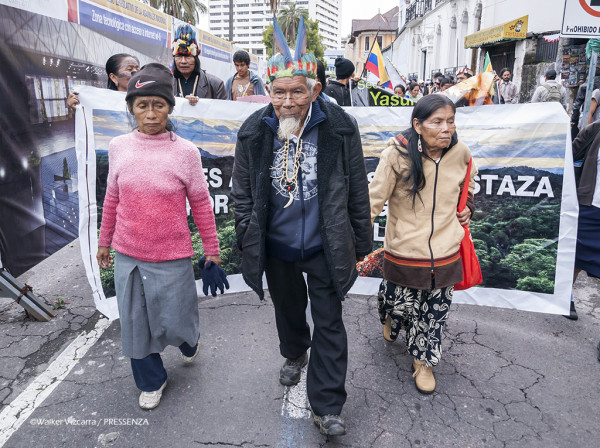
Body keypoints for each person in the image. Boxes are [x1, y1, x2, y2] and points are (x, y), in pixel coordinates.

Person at [230, 17, 372, 436]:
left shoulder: (341, 127)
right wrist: (246, 233)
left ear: (315, 90)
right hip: (277, 245)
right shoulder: (254, 130)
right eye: (279, 92)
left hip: (326, 244)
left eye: (297, 91)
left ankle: (328, 405)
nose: (288, 101)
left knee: (329, 321)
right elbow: (241, 192)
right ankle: (294, 353)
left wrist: (360, 243)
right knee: (288, 309)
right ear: (268, 92)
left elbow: (357, 191)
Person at [97, 63, 221, 410]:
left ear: (169, 107)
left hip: (172, 255)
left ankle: (187, 341)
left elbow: (200, 203)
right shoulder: (119, 146)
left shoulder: (186, 153)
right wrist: (104, 241)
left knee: (178, 321)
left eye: (158, 105)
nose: (150, 114)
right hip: (129, 254)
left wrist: (212, 249)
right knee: (136, 325)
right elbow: (111, 198)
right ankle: (152, 379)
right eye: (142, 105)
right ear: (131, 108)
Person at [369, 94, 477, 394]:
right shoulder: (395, 156)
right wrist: (348, 241)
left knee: (433, 313)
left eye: (451, 121)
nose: (447, 129)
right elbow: (373, 200)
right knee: (397, 301)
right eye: (437, 122)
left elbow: (469, 186)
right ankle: (391, 314)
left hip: (446, 251)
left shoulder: (461, 153)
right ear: (417, 125)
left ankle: (424, 362)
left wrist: (468, 205)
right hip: (404, 251)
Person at [569, 119, 600, 321]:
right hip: (590, 207)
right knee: (575, 256)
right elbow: (567, 155)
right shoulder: (594, 130)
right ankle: (565, 295)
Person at [171, 24, 226, 104]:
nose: (183, 61)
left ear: (196, 58)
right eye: (179, 56)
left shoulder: (215, 85)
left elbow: (224, 113)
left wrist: (201, 105)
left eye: (188, 56)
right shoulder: (166, 84)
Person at [66, 53, 140, 109]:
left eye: (137, 69)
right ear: (114, 77)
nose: (135, 72)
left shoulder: (148, 97)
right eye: (129, 69)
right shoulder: (102, 102)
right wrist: (78, 107)